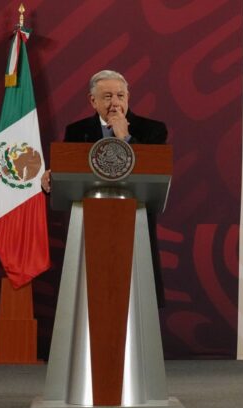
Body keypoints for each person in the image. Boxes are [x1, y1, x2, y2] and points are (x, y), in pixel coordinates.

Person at [41, 69, 168, 306]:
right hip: (90, 228)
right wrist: (53, 177)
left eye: (121, 96)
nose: (115, 103)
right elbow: (70, 172)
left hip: (135, 224)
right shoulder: (77, 131)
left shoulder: (153, 130)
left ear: (128, 97)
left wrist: (125, 137)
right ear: (93, 101)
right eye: (107, 96)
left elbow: (153, 171)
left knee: (137, 300)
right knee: (90, 300)